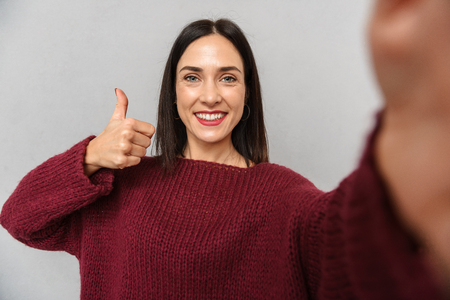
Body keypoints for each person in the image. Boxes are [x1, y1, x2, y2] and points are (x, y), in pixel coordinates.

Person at [1, 0, 450, 299]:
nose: (210, 95)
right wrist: (90, 158)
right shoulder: (121, 187)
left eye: (228, 78)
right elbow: (19, 218)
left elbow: (369, 244)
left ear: (247, 94)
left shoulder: (288, 199)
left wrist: (419, 113)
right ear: (173, 94)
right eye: (192, 77)